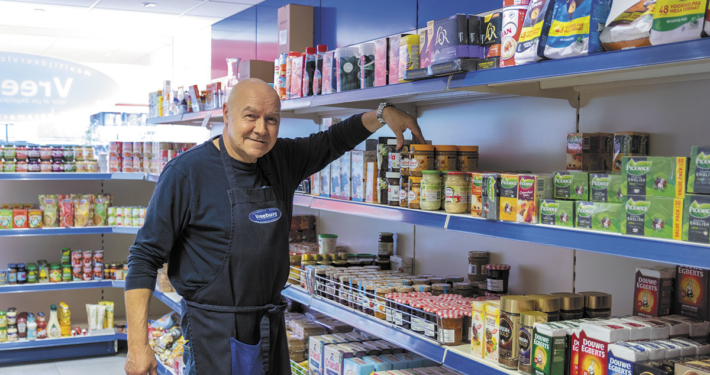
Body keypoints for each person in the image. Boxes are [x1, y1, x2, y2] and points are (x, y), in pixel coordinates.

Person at [124, 78, 425, 375]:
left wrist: (383, 113)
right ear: (227, 115)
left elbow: (334, 139)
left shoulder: (281, 158)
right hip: (214, 332)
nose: (261, 129)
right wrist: (138, 346)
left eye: (272, 120)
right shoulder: (186, 173)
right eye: (251, 116)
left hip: (270, 324)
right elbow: (144, 257)